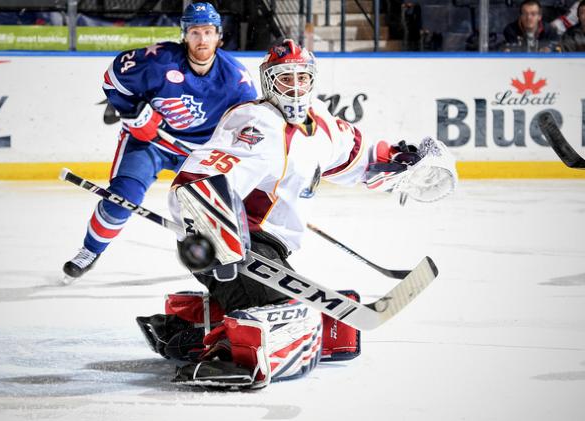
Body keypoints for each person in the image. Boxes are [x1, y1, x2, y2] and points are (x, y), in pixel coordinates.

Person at [136, 39, 458, 389]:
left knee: (309, 319)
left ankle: (186, 330)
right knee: (291, 318)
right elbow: (196, 181)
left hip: (270, 250)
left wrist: (400, 161)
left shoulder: (321, 123)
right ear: (268, 81)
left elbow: (357, 155)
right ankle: (226, 356)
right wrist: (208, 231)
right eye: (284, 78)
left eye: (301, 77)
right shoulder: (255, 124)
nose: (294, 86)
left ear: (312, 80)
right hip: (235, 249)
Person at [62, 2, 257, 283]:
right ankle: (89, 252)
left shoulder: (236, 81)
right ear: (184, 35)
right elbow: (113, 79)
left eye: (208, 32)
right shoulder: (158, 61)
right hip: (152, 143)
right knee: (123, 198)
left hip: (200, 152)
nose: (201, 39)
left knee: (218, 209)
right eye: (194, 32)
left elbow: (247, 125)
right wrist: (133, 112)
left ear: (219, 36)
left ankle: (232, 255)